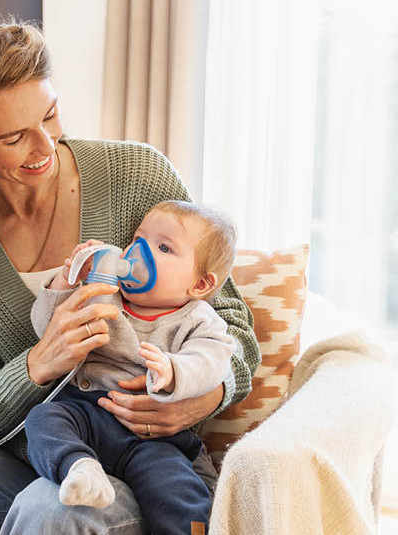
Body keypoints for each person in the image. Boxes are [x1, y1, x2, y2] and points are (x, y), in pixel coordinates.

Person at [0, 15, 260, 535]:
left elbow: (230, 321)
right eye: (13, 137)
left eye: (50, 116)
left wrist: (204, 394)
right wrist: (35, 365)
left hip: (137, 464)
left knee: (51, 508)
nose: (45, 146)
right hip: (27, 451)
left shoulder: (135, 176)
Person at [25, 200, 238, 534]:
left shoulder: (198, 320)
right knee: (42, 420)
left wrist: (174, 371)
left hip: (150, 439)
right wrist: (66, 283)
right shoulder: (103, 293)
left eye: (164, 247)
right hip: (84, 414)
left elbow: (212, 361)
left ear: (199, 285)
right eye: (139, 238)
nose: (138, 251)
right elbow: (48, 328)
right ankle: (79, 468)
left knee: (177, 491)